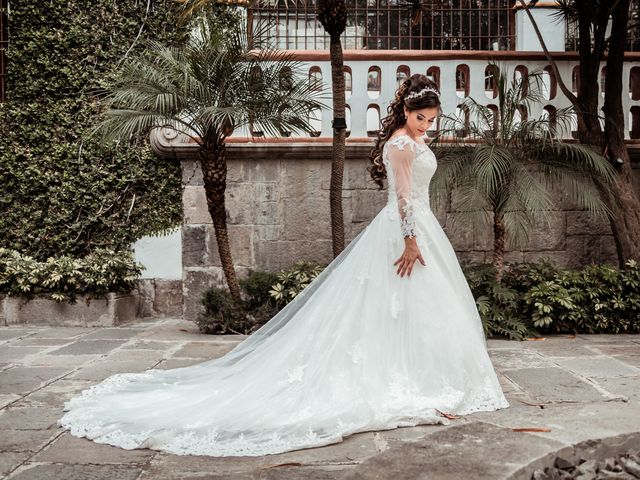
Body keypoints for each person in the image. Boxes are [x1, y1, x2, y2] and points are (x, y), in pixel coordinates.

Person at [57, 73, 509, 457]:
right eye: (419, 118)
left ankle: (422, 377)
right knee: (398, 301)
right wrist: (410, 241)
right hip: (406, 229)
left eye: (431, 120)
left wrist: (417, 228)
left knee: (419, 308)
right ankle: (405, 381)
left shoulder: (413, 140)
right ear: (405, 113)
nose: (426, 126)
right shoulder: (400, 147)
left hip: (420, 226)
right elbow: (405, 197)